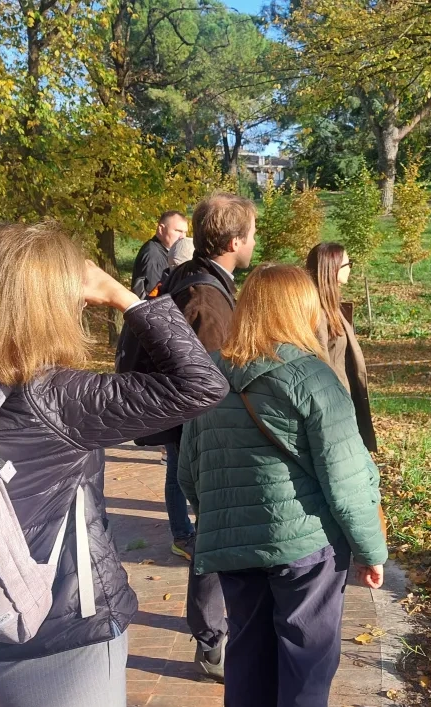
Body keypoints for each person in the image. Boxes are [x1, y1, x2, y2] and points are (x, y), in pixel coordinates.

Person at [0, 222, 228, 707]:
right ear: (54, 301)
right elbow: (201, 385)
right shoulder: (60, 396)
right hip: (63, 640)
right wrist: (121, 296)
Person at [178, 264, 388, 707]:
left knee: (247, 659)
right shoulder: (312, 376)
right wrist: (371, 552)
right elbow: (347, 481)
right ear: (301, 310)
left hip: (233, 546)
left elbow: (188, 473)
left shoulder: (210, 373)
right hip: (305, 550)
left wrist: (222, 517)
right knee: (305, 667)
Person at [162, 191, 257, 680]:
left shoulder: (194, 279)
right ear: (235, 240)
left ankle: (214, 634)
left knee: (211, 534)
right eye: (253, 234)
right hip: (205, 434)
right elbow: (213, 381)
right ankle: (212, 640)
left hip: (195, 432)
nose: (254, 242)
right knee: (214, 535)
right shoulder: (207, 298)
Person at [305, 242, 377, 452]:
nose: (350, 268)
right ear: (333, 267)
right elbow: (319, 365)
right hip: (331, 406)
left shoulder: (331, 307)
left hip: (341, 399)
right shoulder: (317, 312)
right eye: (348, 263)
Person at [131, 210, 188, 297]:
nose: (182, 237)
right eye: (178, 231)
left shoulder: (165, 252)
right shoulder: (154, 256)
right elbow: (153, 299)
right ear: (161, 229)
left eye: (185, 232)